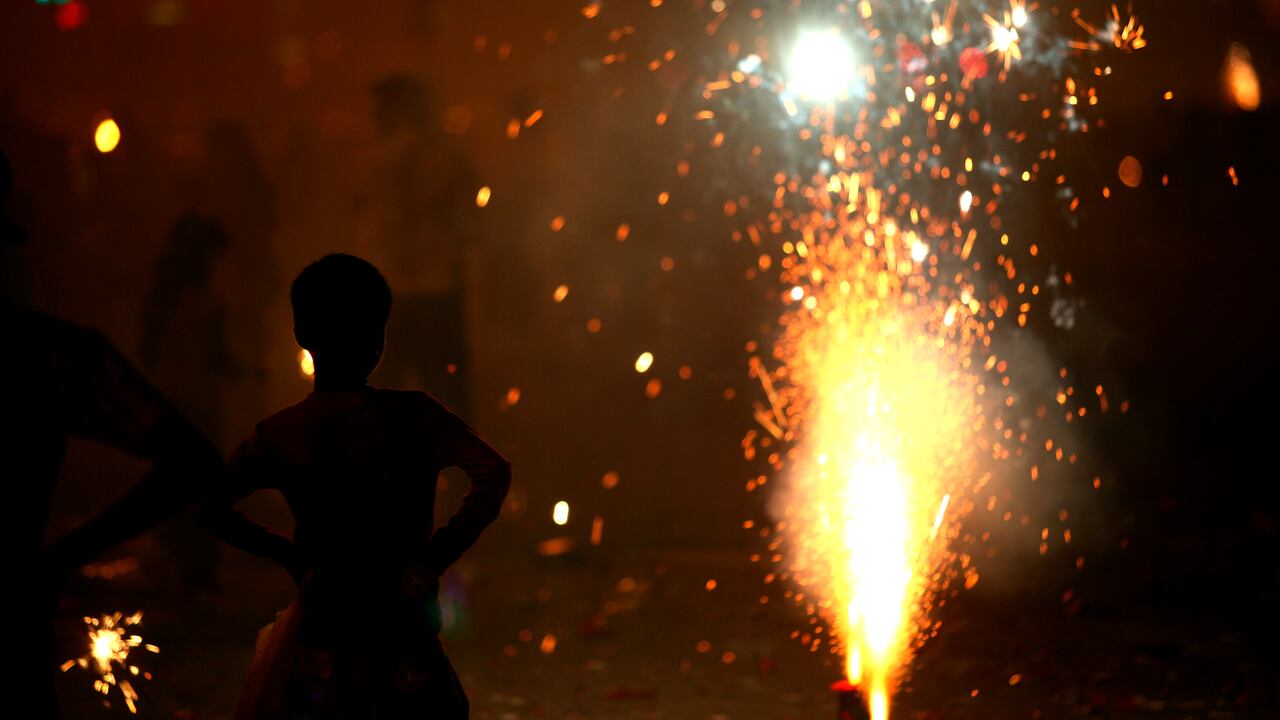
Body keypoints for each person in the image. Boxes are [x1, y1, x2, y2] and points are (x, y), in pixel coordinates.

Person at [199, 253, 511, 719]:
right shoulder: (414, 417)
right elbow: (493, 471)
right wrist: (434, 555)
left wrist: (287, 555)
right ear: (379, 341)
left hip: (323, 637)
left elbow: (208, 505)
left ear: (303, 337)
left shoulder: (282, 433)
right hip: (401, 637)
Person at [0, 147, 224, 718]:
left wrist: (57, 559)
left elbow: (192, 460)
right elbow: (193, 461)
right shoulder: (50, 357)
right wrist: (60, 559)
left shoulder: (48, 358)